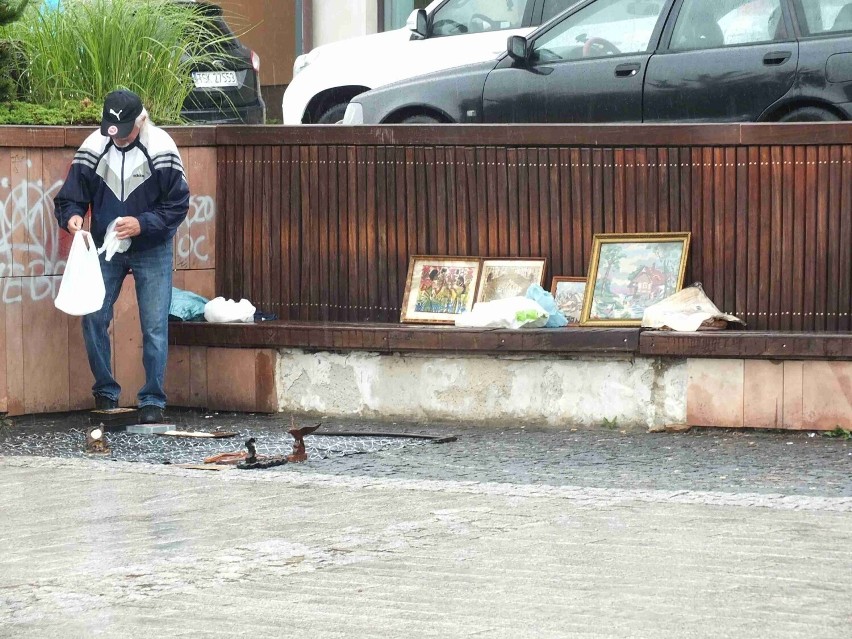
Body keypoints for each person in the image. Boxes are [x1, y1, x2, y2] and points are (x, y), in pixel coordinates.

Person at [54, 89, 189, 424]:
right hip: (105, 246)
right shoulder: (94, 146)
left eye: (125, 129)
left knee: (155, 326)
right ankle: (105, 393)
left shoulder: (162, 148)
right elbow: (69, 196)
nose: (117, 136)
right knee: (93, 317)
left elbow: (178, 205)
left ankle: (153, 400)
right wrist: (72, 218)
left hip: (152, 246)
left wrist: (141, 224)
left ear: (142, 120)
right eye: (111, 129)